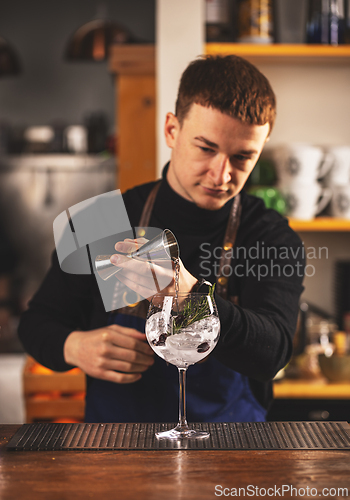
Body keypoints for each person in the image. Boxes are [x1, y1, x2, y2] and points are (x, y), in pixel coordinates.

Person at [18, 55, 305, 423]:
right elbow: (37, 322)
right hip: (116, 450)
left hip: (231, 453)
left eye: (242, 157)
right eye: (206, 148)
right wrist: (73, 346)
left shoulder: (268, 235)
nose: (222, 175)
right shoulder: (101, 221)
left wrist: (192, 298)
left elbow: (273, 354)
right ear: (172, 130)